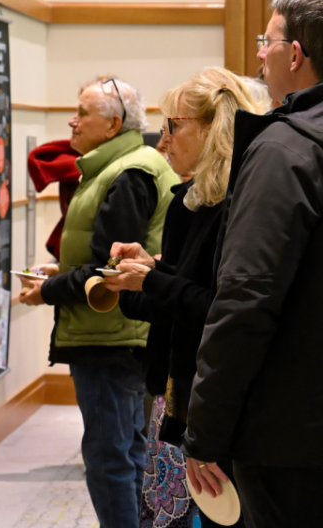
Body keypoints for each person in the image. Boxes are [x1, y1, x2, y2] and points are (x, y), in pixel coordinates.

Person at [180, 0, 323, 528]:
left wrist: (205, 430)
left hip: (291, 440)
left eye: (267, 40)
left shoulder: (285, 150)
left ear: (296, 54)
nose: (258, 53)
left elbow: (246, 298)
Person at [103, 68, 269, 528]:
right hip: (173, 394)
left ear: (214, 129)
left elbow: (220, 310)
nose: (163, 140)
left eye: (174, 126)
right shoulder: (187, 200)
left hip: (214, 401)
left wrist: (153, 279)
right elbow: (174, 300)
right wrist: (136, 277)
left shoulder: (241, 204)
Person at [20, 76, 178, 528]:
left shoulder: (128, 173)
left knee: (111, 460)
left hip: (110, 337)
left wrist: (48, 290)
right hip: (118, 333)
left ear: (112, 125)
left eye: (83, 112)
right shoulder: (126, 164)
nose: (72, 120)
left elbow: (108, 271)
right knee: (127, 451)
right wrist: (58, 273)